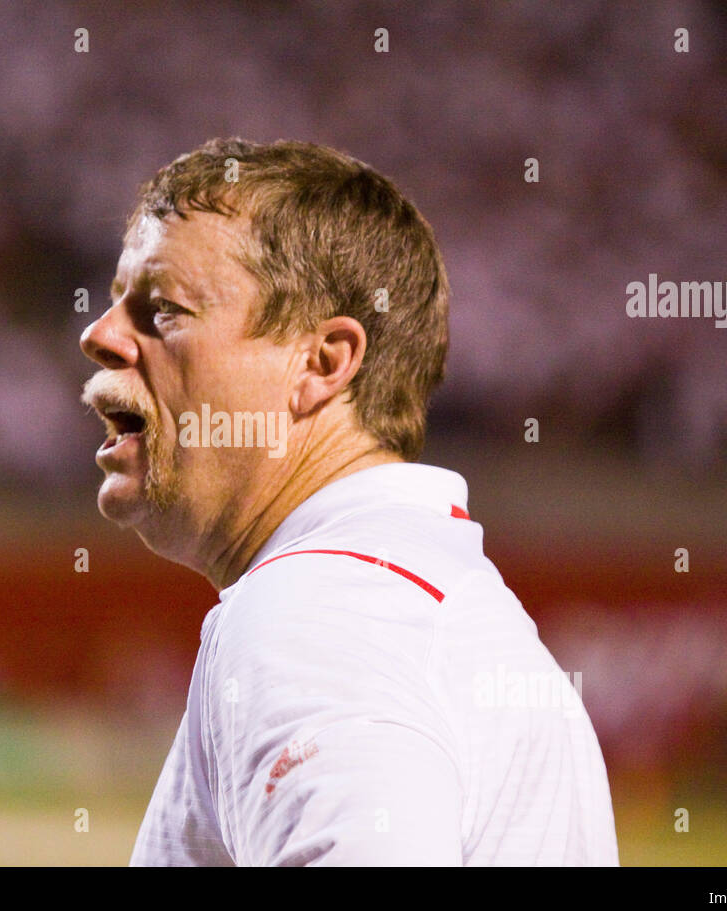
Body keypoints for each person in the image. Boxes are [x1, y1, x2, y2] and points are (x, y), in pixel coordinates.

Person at [80, 137, 618, 865]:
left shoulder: (319, 615)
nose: (101, 336)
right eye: (117, 303)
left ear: (322, 363)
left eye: (163, 309)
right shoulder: (404, 594)